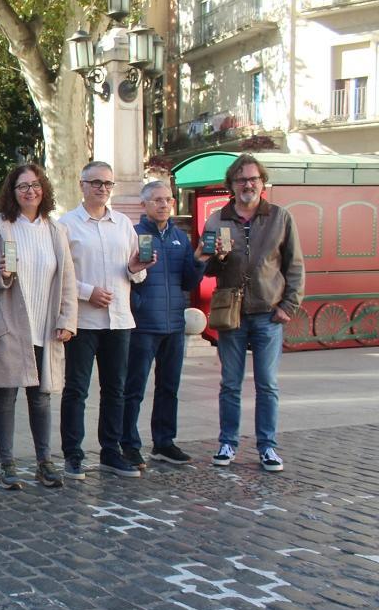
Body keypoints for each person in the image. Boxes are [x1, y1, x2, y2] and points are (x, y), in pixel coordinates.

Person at [0, 165, 77, 489]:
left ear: (43, 189)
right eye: (22, 186)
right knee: (5, 395)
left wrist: (67, 319)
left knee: (41, 397)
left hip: (45, 324)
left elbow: (68, 279)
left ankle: (44, 462)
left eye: (35, 185)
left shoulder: (56, 230)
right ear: (12, 191)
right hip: (9, 322)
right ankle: (7, 465)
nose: (30, 191)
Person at [203, 154, 304, 472]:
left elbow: (295, 265)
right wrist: (216, 258)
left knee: (267, 384)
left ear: (262, 183)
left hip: (268, 313)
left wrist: (289, 306)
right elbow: (207, 269)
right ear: (231, 185)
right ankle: (227, 443)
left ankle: (267, 446)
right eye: (241, 179)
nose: (247, 184)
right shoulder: (217, 220)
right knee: (230, 384)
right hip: (231, 313)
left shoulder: (279, 217)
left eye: (253, 179)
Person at [58, 161, 156, 480]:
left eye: (108, 184)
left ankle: (110, 451)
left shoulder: (124, 224)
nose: (102, 188)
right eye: (96, 182)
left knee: (116, 389)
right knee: (77, 390)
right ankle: (73, 454)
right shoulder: (66, 225)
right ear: (82, 184)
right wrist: (88, 293)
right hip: (84, 320)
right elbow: (59, 275)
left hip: (119, 320)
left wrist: (136, 268)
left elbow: (135, 274)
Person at [121, 181, 205, 467]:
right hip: (143, 325)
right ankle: (128, 444)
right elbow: (124, 276)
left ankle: (164, 443)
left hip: (174, 325)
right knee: (133, 389)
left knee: (169, 388)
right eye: (157, 200)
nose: (164, 204)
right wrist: (136, 304)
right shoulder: (133, 235)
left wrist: (200, 260)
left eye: (168, 199)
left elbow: (189, 282)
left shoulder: (180, 237)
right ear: (143, 205)